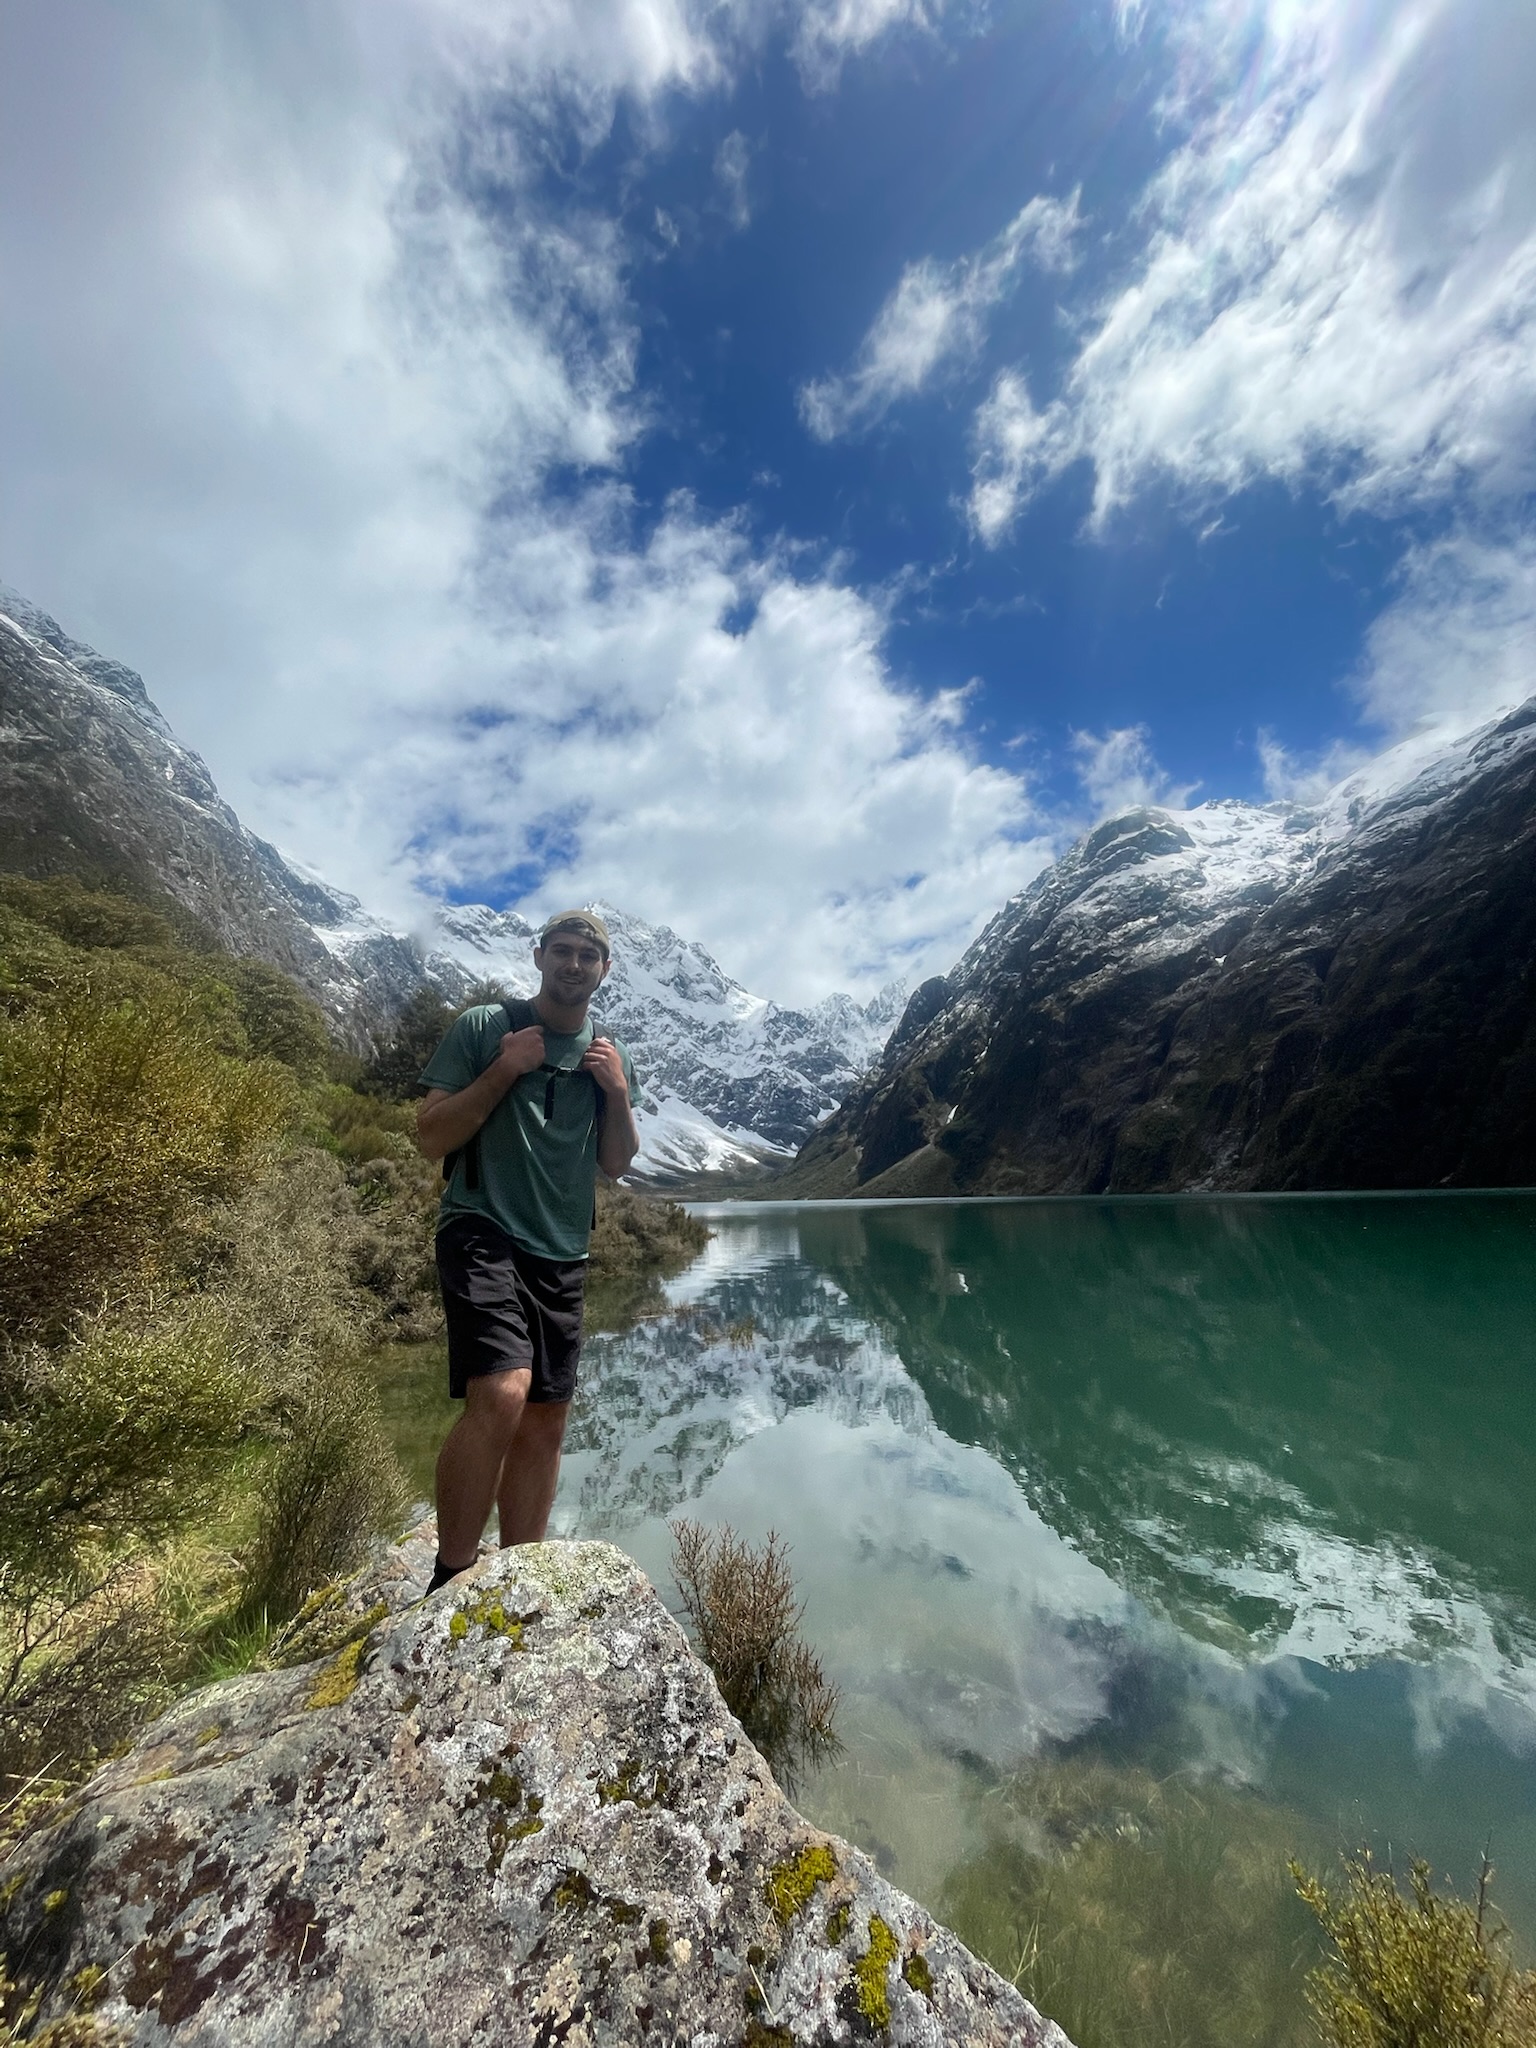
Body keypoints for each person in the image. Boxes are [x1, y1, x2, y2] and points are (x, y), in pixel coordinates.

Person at [415, 909, 640, 1593]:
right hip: (481, 1227)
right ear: (538, 955)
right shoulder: (487, 1029)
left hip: (561, 1249)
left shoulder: (608, 1053)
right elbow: (429, 1135)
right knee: (504, 1391)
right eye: (563, 951)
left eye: (588, 955)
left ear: (604, 970)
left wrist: (619, 1094)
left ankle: (516, 1578)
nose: (574, 964)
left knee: (546, 1417)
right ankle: (450, 1574)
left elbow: (617, 1163)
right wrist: (506, 1070)